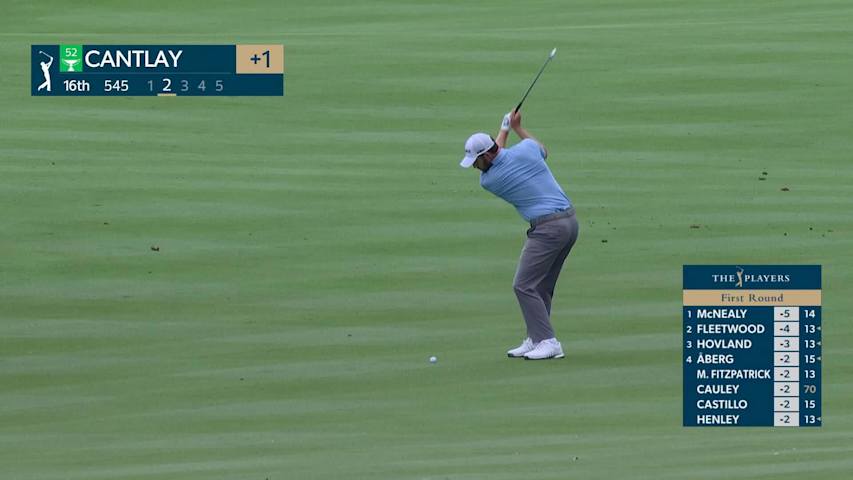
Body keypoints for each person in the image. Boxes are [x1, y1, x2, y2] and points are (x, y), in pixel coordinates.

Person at [459, 110, 579, 360]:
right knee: (542, 285)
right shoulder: (526, 149)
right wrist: (515, 128)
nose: (475, 168)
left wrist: (503, 129)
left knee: (523, 285)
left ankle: (548, 341)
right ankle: (537, 337)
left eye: (477, 161)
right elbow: (541, 149)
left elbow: (498, 154)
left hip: (548, 229)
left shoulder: (490, 180)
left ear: (488, 154)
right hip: (569, 223)